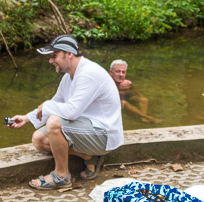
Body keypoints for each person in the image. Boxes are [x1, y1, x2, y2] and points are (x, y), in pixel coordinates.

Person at [7, 35, 123, 190]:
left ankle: (62, 176)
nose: (50, 61)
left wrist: (47, 106)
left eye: (54, 56)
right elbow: (57, 103)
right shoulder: (69, 77)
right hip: (87, 129)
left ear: (69, 54)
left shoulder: (88, 73)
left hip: (103, 134)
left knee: (54, 122)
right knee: (39, 139)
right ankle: (88, 157)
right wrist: (27, 118)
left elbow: (71, 112)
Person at [108, 59, 161, 123]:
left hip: (124, 97)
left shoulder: (126, 82)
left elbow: (135, 90)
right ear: (111, 72)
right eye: (118, 71)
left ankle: (143, 118)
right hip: (114, 101)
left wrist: (141, 96)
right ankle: (148, 117)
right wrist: (118, 88)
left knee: (144, 100)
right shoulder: (107, 82)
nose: (121, 75)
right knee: (124, 103)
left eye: (123, 72)